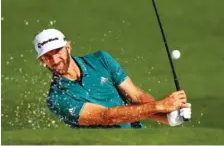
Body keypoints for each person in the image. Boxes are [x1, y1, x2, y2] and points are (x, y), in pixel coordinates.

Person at [33, 28, 191, 128]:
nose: (54, 60)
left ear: (68, 47)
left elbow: (135, 95)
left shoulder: (100, 59)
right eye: (47, 56)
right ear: (42, 61)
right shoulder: (57, 98)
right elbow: (106, 117)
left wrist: (168, 116)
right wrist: (159, 106)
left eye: (57, 51)